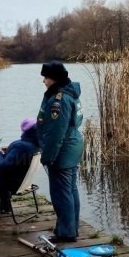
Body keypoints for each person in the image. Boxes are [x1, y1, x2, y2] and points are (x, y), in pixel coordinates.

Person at [36, 61, 83, 243]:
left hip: (63, 150)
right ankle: (71, 228)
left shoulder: (59, 99)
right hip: (72, 146)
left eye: (46, 78)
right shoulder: (70, 93)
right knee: (70, 190)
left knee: (61, 194)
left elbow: (56, 133)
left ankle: (66, 233)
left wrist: (47, 157)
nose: (44, 81)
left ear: (54, 78)